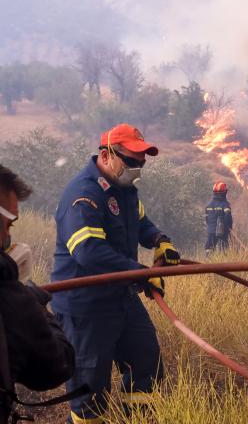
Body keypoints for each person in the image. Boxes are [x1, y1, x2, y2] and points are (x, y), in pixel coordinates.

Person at [49, 124, 181, 424]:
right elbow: (88, 251)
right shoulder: (83, 194)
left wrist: (160, 240)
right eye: (132, 161)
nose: (137, 168)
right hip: (86, 307)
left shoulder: (125, 190)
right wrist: (141, 273)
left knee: (146, 361)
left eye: (142, 163)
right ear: (107, 155)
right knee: (90, 392)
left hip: (121, 297)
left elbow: (141, 223)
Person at [0, 165, 75, 424]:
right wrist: (36, 307)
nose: (9, 238)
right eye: (8, 224)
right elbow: (56, 366)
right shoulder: (11, 302)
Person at [204, 181, 233, 253]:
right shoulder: (225, 205)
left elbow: (207, 219)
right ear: (224, 193)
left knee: (209, 249)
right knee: (223, 249)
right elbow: (228, 218)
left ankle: (208, 262)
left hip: (211, 231)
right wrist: (229, 228)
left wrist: (211, 227)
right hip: (223, 232)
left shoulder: (209, 205)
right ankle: (223, 261)